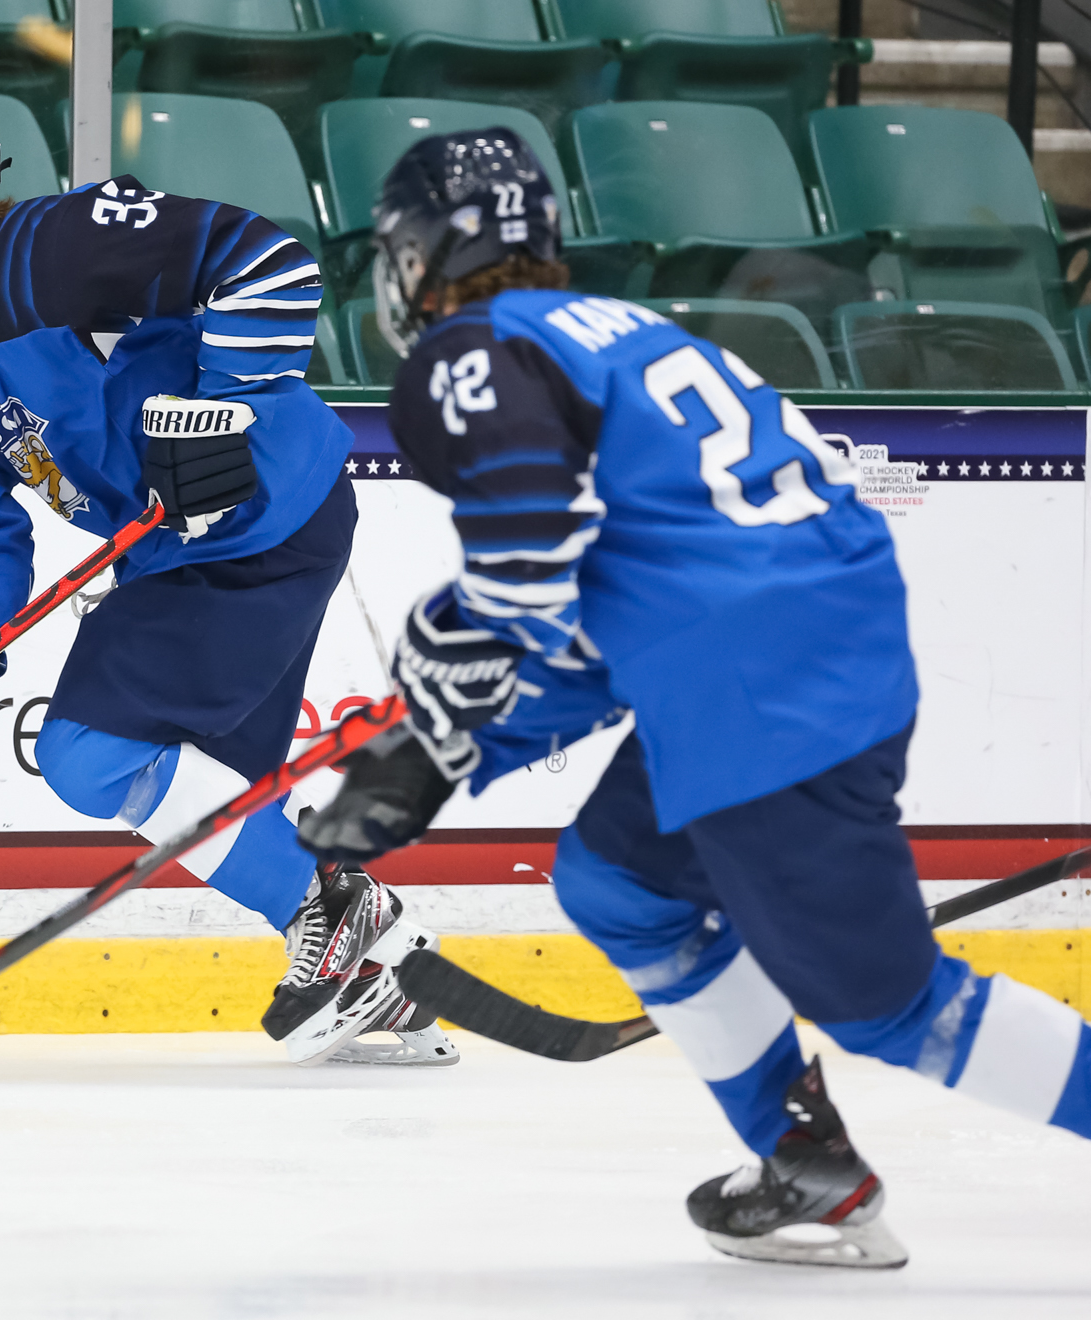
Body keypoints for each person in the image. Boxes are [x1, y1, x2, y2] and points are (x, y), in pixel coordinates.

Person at [297, 128, 1091, 1265]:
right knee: (616, 884)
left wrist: (440, 688)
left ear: (423, 251)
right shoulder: (618, 333)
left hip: (759, 688)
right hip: (800, 645)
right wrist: (447, 755)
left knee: (885, 1007)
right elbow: (611, 619)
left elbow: (530, 561)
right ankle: (801, 1163)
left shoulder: (468, 351)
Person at [0, 83, 457, 1066]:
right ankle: (359, 960)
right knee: (171, 780)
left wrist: (220, 410)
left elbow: (267, 265)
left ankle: (330, 909)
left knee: (86, 753)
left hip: (265, 515)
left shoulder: (58, 245)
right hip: (185, 554)